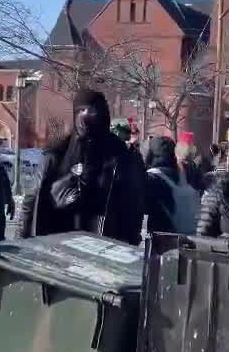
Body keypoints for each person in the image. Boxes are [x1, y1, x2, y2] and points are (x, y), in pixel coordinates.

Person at [19, 88, 144, 244]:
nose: (85, 117)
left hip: (104, 251)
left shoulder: (120, 158)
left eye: (92, 111)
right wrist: (21, 242)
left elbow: (133, 208)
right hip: (56, 248)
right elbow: (31, 203)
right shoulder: (56, 155)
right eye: (81, 110)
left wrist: (130, 245)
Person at [145, 136, 201, 234]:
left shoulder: (151, 178)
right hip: (190, 236)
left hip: (163, 239)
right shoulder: (189, 173)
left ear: (151, 154)